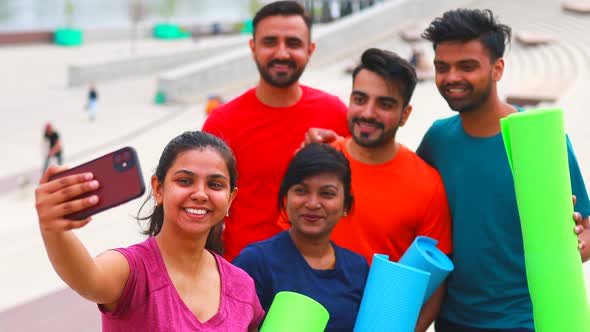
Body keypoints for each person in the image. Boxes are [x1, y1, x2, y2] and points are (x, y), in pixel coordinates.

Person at [416, 9, 590, 331]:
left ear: (498, 69)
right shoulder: (437, 140)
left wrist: (569, 242)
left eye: (467, 66)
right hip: (454, 322)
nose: (451, 77)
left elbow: (588, 232)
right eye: (442, 67)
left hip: (525, 321)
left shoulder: (537, 140)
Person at [285, 48, 453, 331]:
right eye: (360, 99)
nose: (368, 113)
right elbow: (284, 247)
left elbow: (434, 286)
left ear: (405, 114)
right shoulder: (316, 161)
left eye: (385, 104)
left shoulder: (428, 185)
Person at [34, 131, 264, 331]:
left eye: (215, 184)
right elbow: (87, 277)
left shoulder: (242, 287)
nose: (200, 194)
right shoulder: (132, 270)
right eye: (185, 181)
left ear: (230, 198)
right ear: (159, 189)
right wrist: (53, 228)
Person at [202, 1, 349, 261]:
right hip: (244, 277)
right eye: (270, 42)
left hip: (319, 273)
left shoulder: (336, 113)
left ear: (310, 49)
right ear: (253, 47)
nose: (282, 53)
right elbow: (204, 210)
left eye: (293, 43)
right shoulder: (222, 122)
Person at [233, 143, 368, 331]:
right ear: (286, 196)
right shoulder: (255, 262)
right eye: (301, 191)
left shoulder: (358, 268)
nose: (312, 203)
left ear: (346, 204)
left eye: (327, 194)